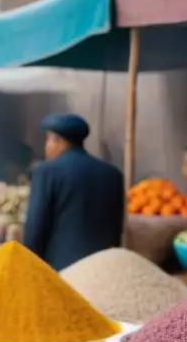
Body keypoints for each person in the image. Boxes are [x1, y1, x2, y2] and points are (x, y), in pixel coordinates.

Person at [24, 113, 125, 270]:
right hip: (104, 268)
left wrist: (28, 264)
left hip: (63, 268)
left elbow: (35, 226)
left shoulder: (46, 171)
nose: (47, 147)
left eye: (48, 139)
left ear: (56, 140)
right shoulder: (113, 173)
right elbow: (117, 226)